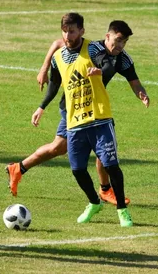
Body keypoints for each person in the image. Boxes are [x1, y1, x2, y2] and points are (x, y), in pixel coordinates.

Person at [6, 20, 149, 206]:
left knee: (68, 148)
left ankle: (18, 168)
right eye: (118, 40)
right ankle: (105, 190)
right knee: (64, 148)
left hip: (93, 108)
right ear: (108, 36)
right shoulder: (92, 48)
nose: (120, 45)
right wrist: (44, 68)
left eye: (125, 42)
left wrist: (142, 94)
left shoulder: (122, 58)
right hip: (73, 107)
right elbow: (59, 43)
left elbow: (135, 82)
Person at [29, 12, 132, 227]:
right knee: (77, 170)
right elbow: (55, 84)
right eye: (65, 31)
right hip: (74, 121)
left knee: (111, 165)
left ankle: (122, 210)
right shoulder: (58, 57)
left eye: (72, 31)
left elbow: (108, 63)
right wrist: (41, 106)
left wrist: (100, 71)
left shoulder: (93, 48)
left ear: (82, 31)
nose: (67, 35)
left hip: (100, 118)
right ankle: (94, 203)